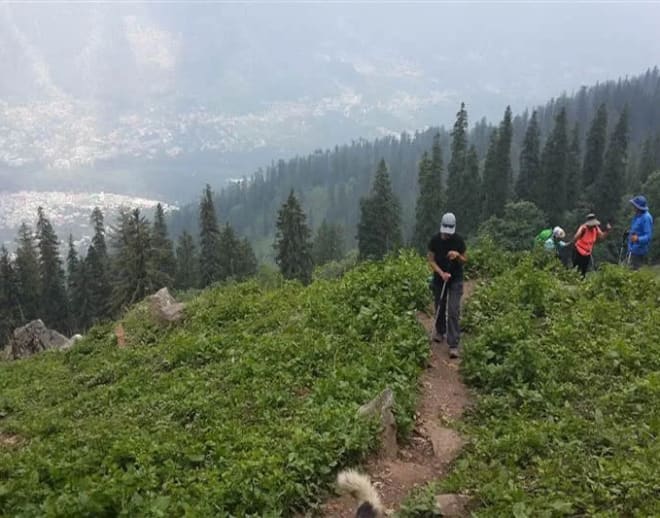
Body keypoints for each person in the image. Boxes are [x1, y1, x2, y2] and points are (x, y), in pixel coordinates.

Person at [427, 212, 467, 359]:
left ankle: (453, 344)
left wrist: (457, 256)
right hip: (439, 279)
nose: (446, 235)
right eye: (445, 232)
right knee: (440, 305)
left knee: (453, 309)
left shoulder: (458, 241)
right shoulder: (435, 240)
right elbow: (431, 260)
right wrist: (441, 273)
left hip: (456, 279)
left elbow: (465, 260)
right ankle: (440, 331)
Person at [572, 213, 611, 278]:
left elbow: (601, 237)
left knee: (583, 272)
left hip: (587, 253)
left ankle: (581, 284)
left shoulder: (596, 228)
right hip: (578, 251)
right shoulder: (583, 228)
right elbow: (575, 237)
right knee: (576, 269)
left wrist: (607, 231)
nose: (593, 226)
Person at [627, 195, 654, 270]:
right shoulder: (637, 216)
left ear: (638, 207)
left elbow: (648, 236)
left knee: (636, 274)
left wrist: (638, 239)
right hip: (632, 250)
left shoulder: (646, 217)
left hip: (639, 252)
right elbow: (635, 230)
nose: (633, 207)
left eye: (634, 205)